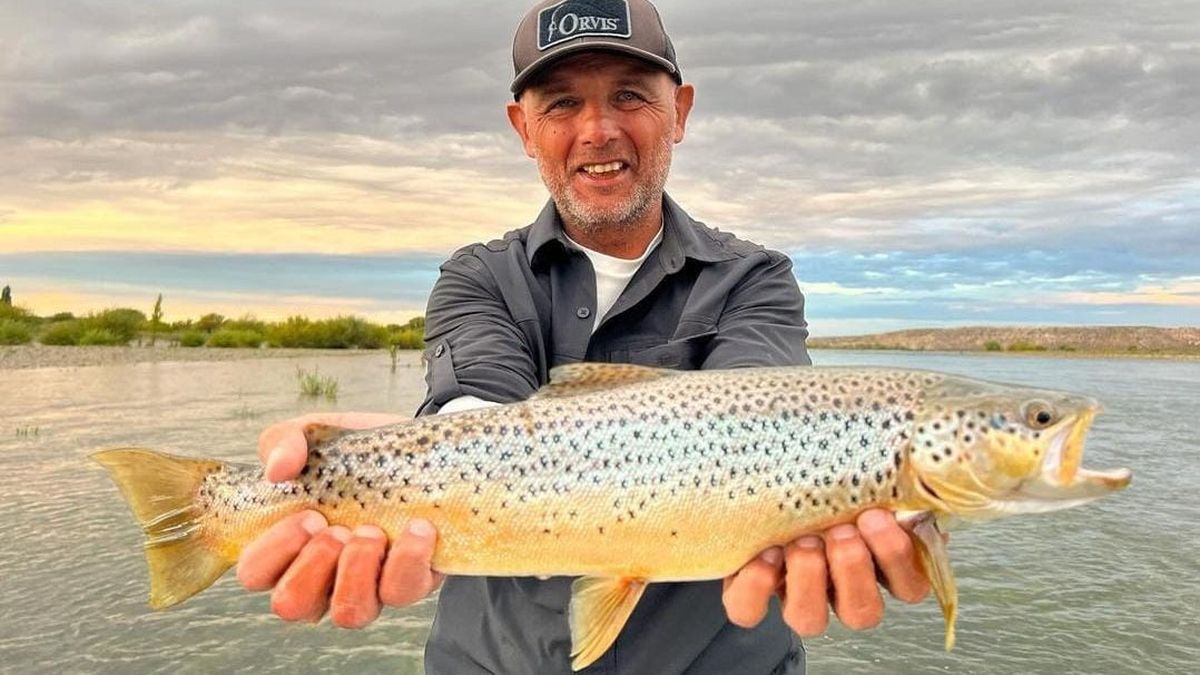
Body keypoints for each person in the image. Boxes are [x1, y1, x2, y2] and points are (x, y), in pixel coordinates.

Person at [237, 1, 930, 672]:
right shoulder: (478, 276)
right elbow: (475, 409)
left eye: (630, 96)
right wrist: (377, 460)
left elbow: (757, 421)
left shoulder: (755, 277)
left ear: (680, 112)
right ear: (523, 127)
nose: (598, 130)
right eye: (563, 103)